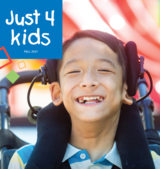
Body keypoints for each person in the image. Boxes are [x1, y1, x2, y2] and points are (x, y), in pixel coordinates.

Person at [8, 30, 160, 169]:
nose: (88, 81)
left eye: (104, 69)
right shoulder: (23, 161)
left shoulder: (155, 162)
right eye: (74, 71)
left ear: (126, 91)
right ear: (57, 93)